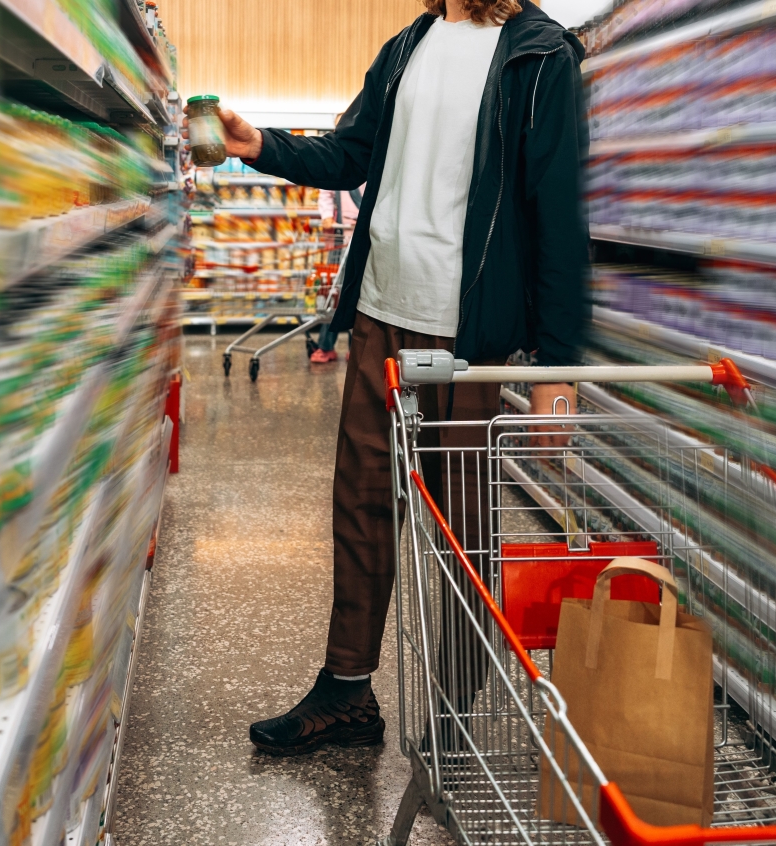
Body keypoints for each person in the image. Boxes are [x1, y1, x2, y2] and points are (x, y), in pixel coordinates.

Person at [207, 0, 590, 756]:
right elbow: (350, 154)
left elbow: (557, 211)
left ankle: (458, 708)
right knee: (359, 507)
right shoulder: (408, 45)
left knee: (462, 530)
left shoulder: (541, 55)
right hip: (381, 313)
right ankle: (347, 691)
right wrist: (261, 146)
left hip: (467, 333)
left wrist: (557, 364)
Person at [311, 177, 363, 363]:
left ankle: (355, 347)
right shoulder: (344, 166)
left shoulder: (380, 166)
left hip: (366, 238)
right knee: (331, 293)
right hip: (340, 237)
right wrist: (326, 215)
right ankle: (326, 346)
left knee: (360, 295)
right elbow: (326, 191)